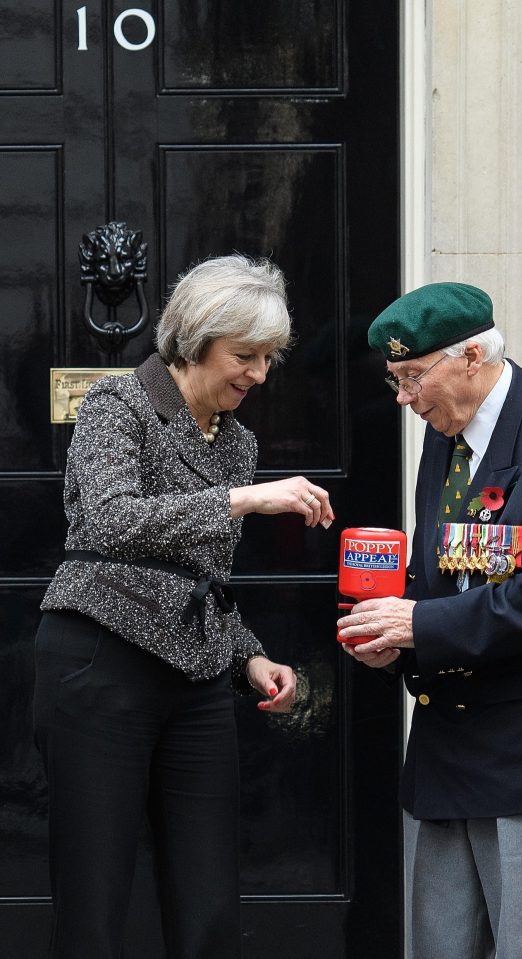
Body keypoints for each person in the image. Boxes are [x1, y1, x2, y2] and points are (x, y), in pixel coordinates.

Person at [34, 254, 334, 959]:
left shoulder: (236, 441)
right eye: (245, 355)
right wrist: (246, 499)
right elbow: (112, 522)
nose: (258, 374)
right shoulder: (118, 404)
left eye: (268, 358)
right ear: (197, 338)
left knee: (208, 905)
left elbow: (203, 574)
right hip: (98, 662)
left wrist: (249, 655)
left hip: (194, 682)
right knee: (94, 903)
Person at [338, 282, 522, 959]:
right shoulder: (442, 436)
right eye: (395, 378)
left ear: (471, 355)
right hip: (450, 740)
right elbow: (440, 568)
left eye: (413, 376)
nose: (403, 397)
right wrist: (393, 638)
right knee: (439, 946)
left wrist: (421, 625)